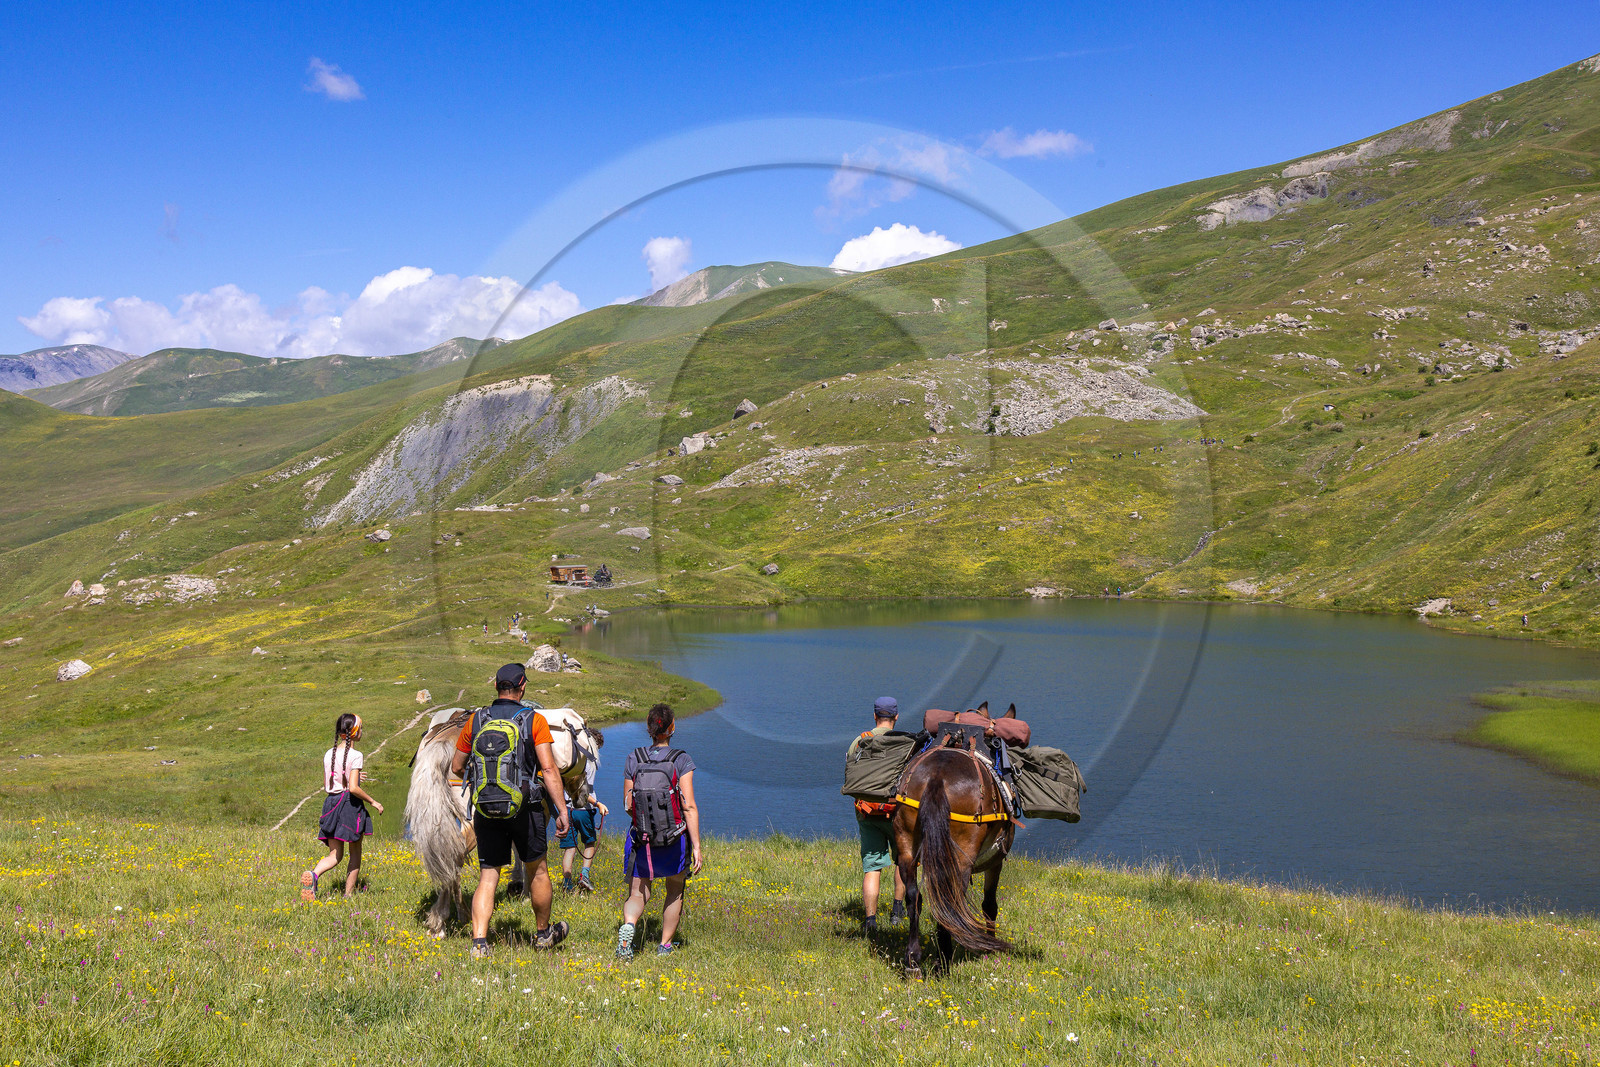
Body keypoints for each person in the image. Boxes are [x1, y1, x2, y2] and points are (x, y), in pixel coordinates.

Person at [450, 663, 572, 958]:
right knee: (538, 871)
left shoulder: (477, 720)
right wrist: (562, 810)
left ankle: (479, 943)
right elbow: (549, 768)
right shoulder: (534, 720)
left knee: (488, 876)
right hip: (526, 809)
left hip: (487, 809)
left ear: (496, 687)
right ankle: (542, 934)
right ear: (523, 687)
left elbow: (456, 766)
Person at [616, 704, 702, 960]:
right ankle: (664, 946)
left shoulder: (635, 757)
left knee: (637, 892)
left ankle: (629, 928)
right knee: (675, 889)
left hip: (642, 838)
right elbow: (689, 806)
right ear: (672, 727)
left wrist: (645, 824)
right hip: (674, 838)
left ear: (649, 728)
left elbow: (628, 804)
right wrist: (696, 846)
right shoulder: (681, 759)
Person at [300, 713, 384, 901]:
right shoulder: (356, 755)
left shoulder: (328, 753)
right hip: (349, 806)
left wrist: (350, 778)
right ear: (353, 732)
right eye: (360, 727)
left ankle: (313, 875)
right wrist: (373, 801)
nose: (362, 731)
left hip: (331, 803)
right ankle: (348, 896)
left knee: (335, 856)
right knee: (355, 852)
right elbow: (353, 788)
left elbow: (328, 785)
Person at [849, 697, 906, 935]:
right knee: (904, 860)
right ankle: (896, 912)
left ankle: (870, 921)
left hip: (867, 812)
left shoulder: (859, 741)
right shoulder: (905, 743)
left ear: (874, 716)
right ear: (896, 717)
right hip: (896, 815)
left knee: (872, 867)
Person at [560, 728, 609, 893]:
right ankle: (584, 876)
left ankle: (567, 882)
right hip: (583, 809)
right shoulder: (589, 763)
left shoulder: (571, 760)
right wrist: (598, 804)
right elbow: (582, 792)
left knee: (570, 847)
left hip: (567, 808)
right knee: (589, 842)